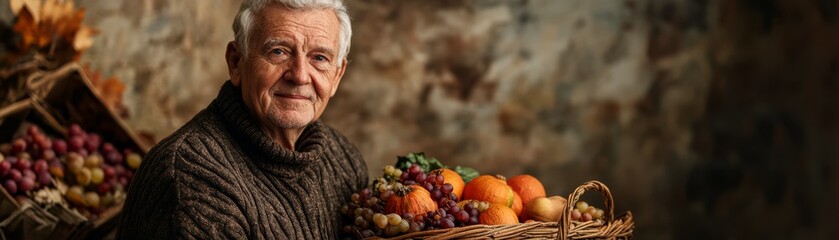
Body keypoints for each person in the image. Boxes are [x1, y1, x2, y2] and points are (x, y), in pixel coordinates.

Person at [117, 0, 368, 238]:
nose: (300, 76)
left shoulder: (343, 159)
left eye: (320, 58)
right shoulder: (190, 179)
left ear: (337, 76)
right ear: (236, 62)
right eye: (279, 52)